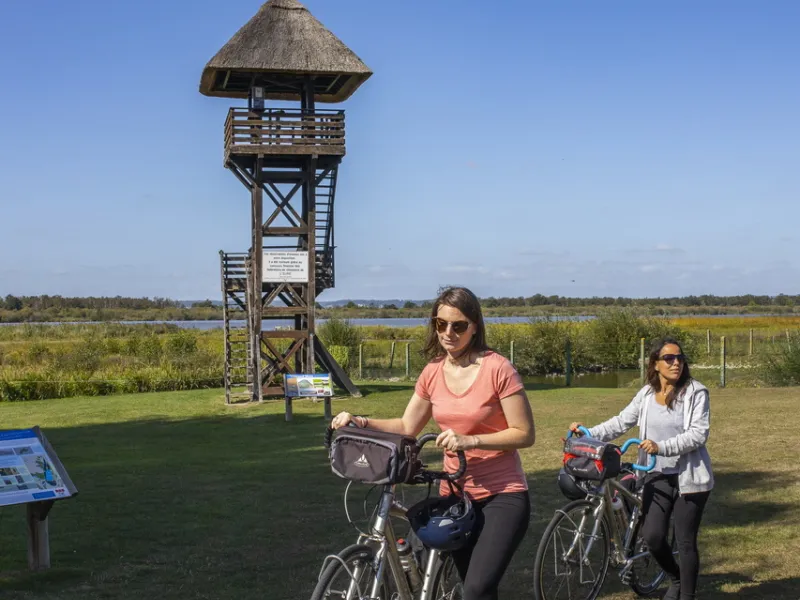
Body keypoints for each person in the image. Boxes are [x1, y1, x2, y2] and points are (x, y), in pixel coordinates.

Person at [331, 286, 535, 600]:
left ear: (475, 327)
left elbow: (524, 433)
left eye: (459, 325)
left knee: (478, 588)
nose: (448, 332)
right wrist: (359, 421)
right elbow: (406, 426)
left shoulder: (498, 368)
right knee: (471, 586)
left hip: (502, 495)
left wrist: (470, 440)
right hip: (453, 494)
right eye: (441, 324)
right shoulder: (433, 372)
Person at [569, 337, 713, 600]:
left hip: (689, 478)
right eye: (669, 358)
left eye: (680, 358)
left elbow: (698, 435)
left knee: (685, 540)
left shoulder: (695, 392)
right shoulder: (647, 394)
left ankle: (687, 595)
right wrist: (588, 433)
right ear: (655, 364)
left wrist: (661, 447)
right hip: (655, 475)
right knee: (653, 536)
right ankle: (676, 577)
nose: (676, 363)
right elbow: (621, 422)